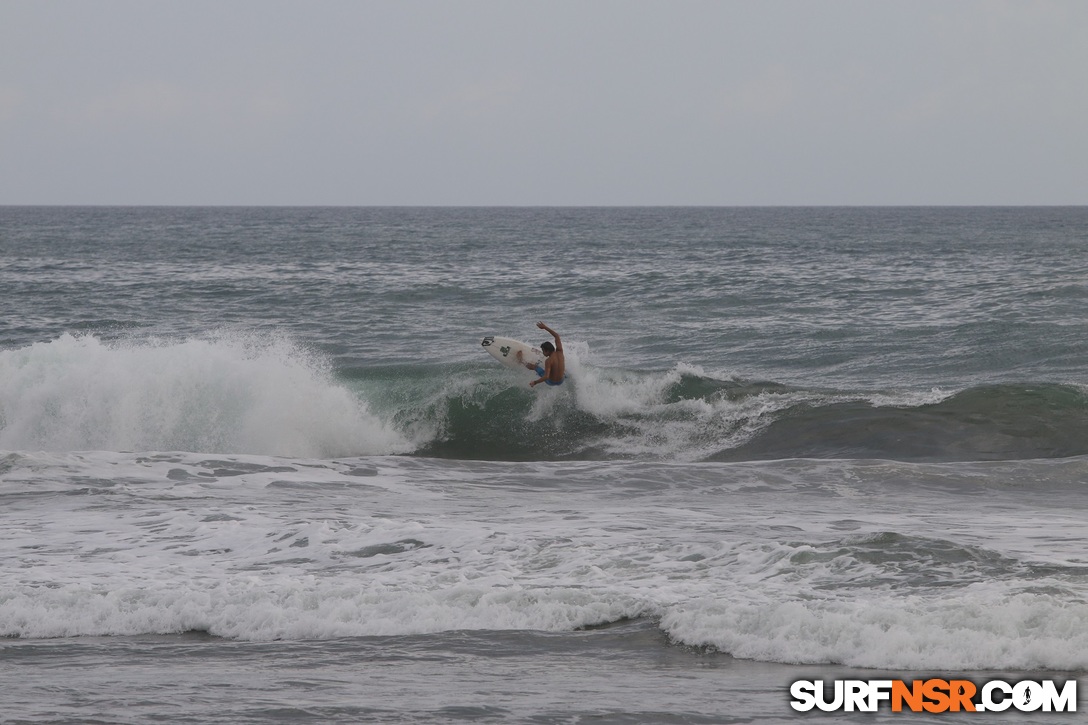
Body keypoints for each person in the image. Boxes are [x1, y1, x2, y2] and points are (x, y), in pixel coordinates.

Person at [519, 321, 565, 387]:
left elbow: (546, 377)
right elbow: (556, 336)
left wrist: (535, 382)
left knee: (535, 367)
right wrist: (545, 327)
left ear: (547, 351)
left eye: (543, 351)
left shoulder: (548, 361)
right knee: (563, 373)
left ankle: (521, 361)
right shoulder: (560, 351)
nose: (543, 353)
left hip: (551, 382)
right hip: (561, 381)